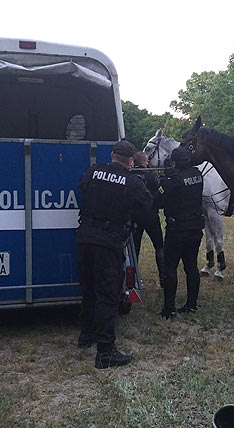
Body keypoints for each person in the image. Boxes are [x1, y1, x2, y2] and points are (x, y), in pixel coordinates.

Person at [76, 140, 152, 369]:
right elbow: (147, 206)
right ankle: (105, 352)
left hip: (85, 237)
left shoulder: (93, 171)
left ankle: (86, 336)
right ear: (131, 161)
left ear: (112, 155)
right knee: (108, 295)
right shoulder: (131, 181)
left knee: (88, 290)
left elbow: (81, 188)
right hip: (108, 242)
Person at [157, 146, 205, 319]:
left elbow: (160, 200)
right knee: (191, 266)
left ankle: (169, 308)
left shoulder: (174, 180)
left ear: (175, 162)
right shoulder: (197, 175)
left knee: (170, 268)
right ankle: (191, 304)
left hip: (177, 229)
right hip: (195, 228)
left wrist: (163, 180)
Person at [131, 151, 166, 287]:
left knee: (135, 249)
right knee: (159, 246)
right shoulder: (151, 175)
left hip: (135, 216)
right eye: (146, 161)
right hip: (151, 215)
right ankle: (163, 277)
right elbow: (160, 192)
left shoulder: (131, 175)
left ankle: (133, 278)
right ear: (143, 162)